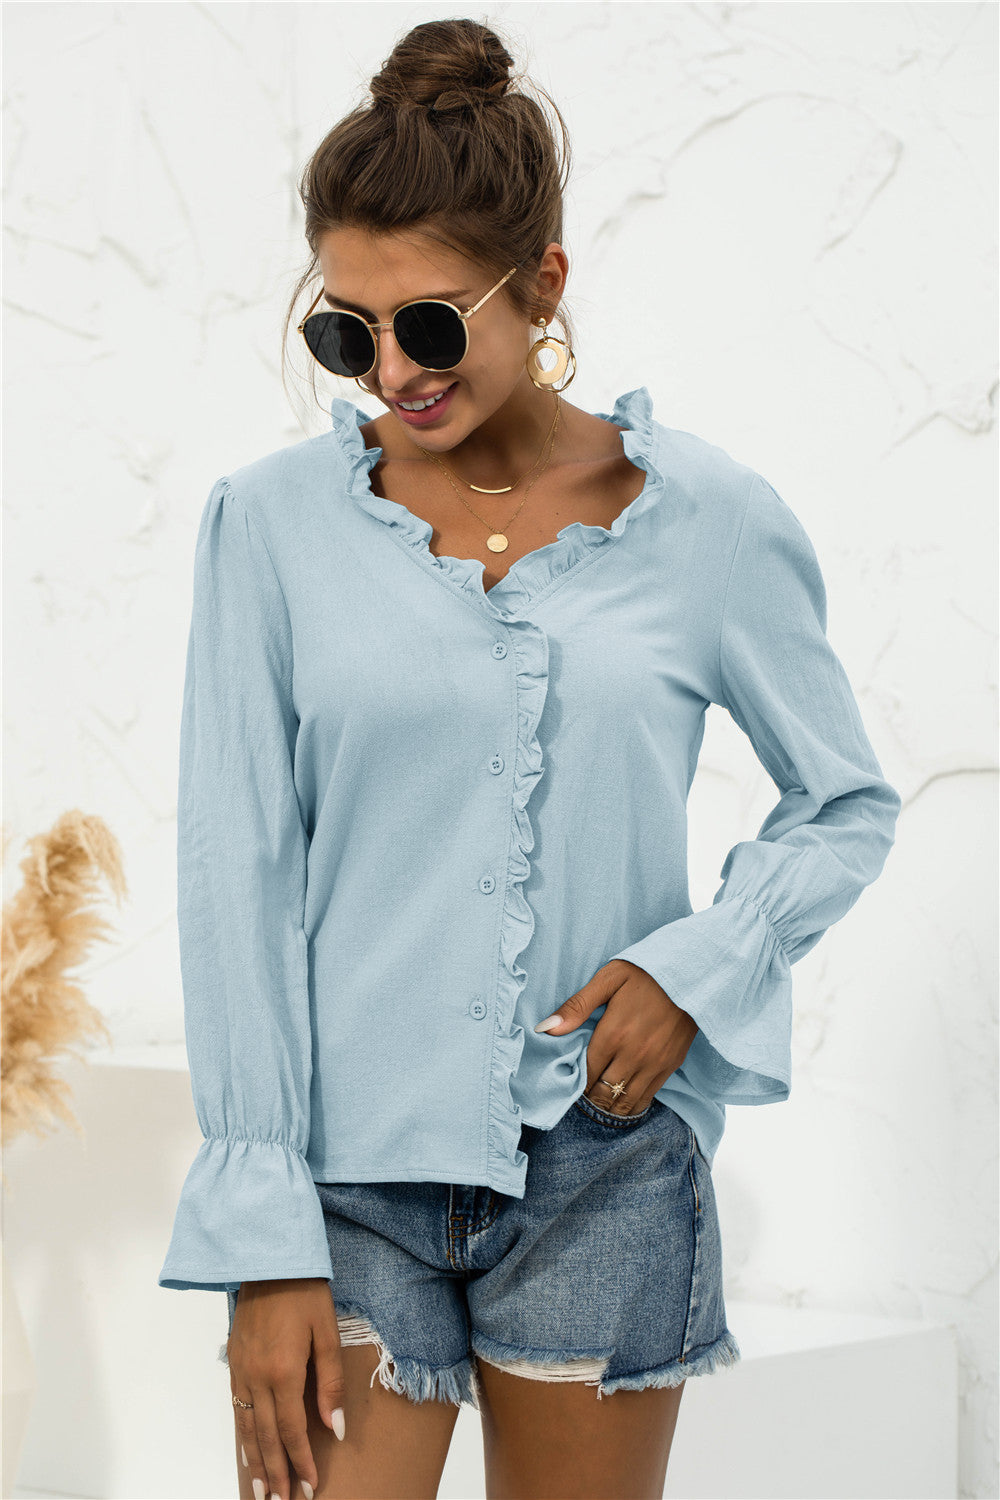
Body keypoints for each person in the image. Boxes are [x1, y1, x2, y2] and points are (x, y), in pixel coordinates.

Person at [158, 18, 901, 1500]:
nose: (391, 373)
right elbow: (235, 874)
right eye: (345, 333)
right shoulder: (269, 529)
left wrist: (703, 965)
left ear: (545, 281)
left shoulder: (709, 522)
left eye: (429, 327)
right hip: (342, 1183)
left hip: (604, 1167)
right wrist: (260, 1237)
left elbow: (844, 802)